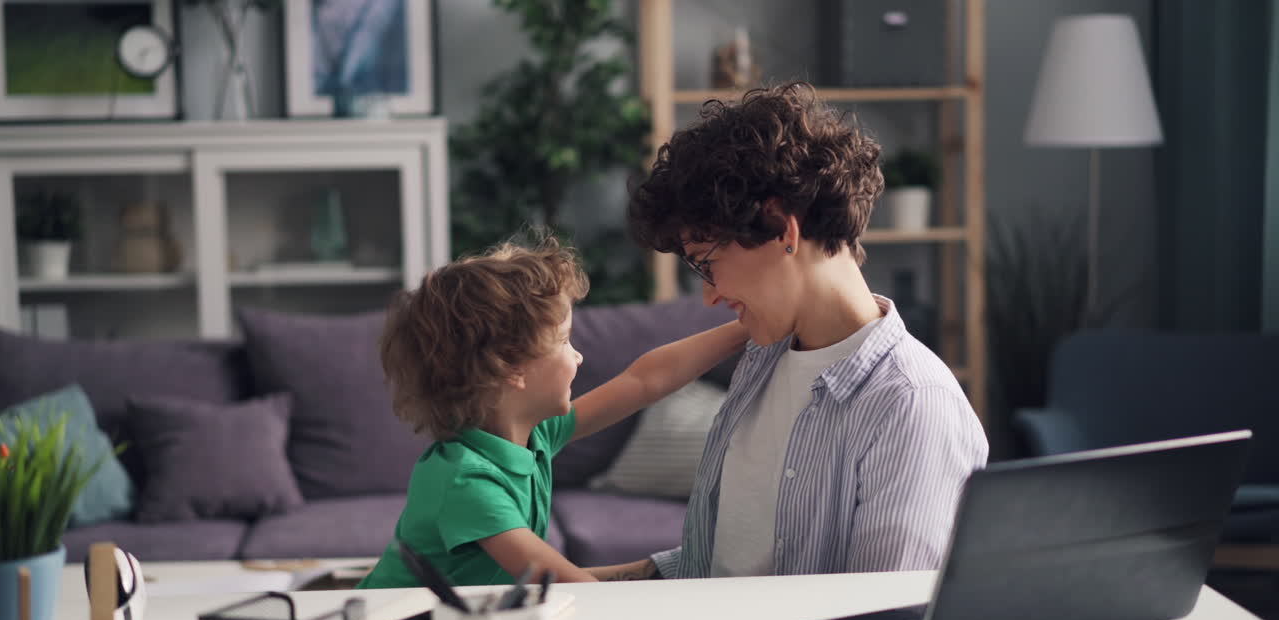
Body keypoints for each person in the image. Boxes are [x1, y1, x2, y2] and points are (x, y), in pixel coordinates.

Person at [608, 82, 988, 580]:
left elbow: (879, 617)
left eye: (708, 264)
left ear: (782, 229)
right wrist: (593, 585)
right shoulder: (766, 358)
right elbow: (735, 559)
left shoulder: (911, 405)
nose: (710, 295)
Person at [357, 234, 748, 588]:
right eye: (564, 340)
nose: (578, 356)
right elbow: (560, 581)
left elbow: (644, 381)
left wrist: (745, 328)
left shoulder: (536, 434)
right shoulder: (466, 481)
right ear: (510, 365)